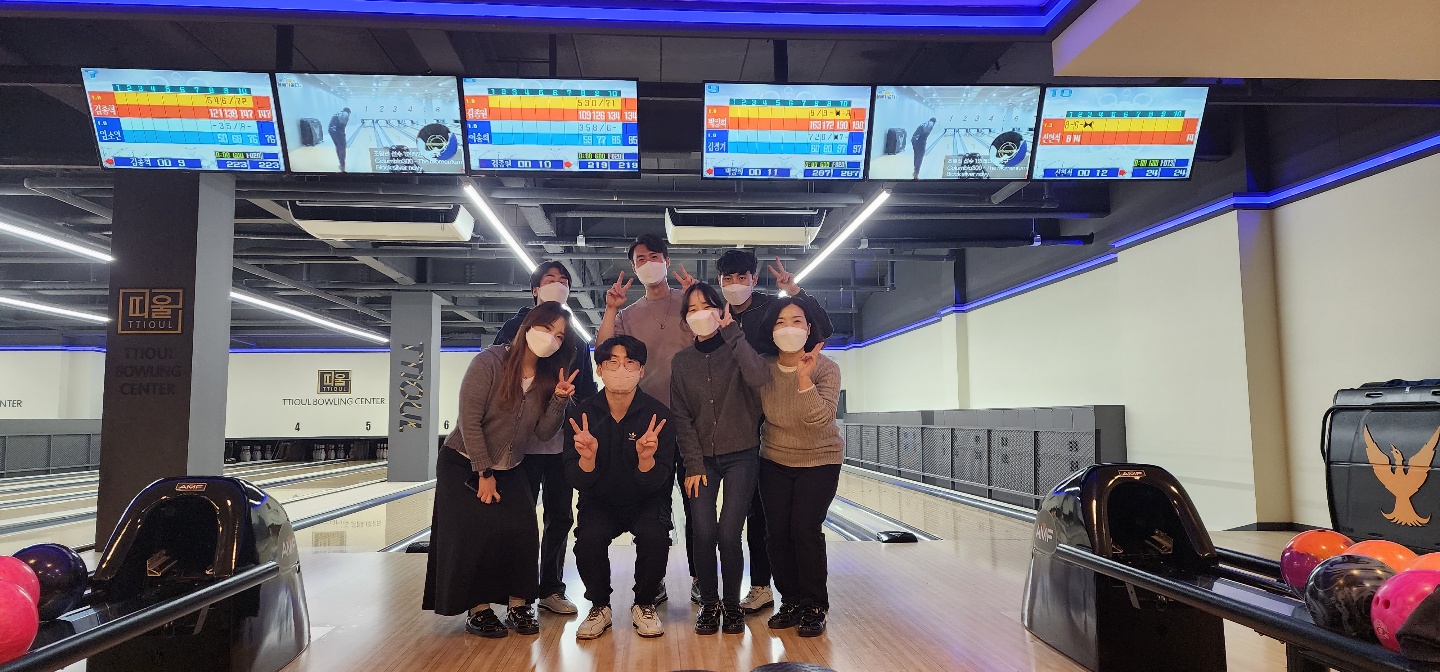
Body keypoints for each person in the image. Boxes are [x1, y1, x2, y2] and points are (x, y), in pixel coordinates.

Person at [422, 301, 580, 638]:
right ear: (528, 326)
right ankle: (478, 611)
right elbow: (469, 421)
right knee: (475, 535)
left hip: (511, 465)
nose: (551, 338)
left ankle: (518, 605)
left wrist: (559, 400)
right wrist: (484, 473)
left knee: (523, 532)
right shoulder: (490, 361)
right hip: (463, 461)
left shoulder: (547, 377)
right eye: (547, 328)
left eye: (559, 335)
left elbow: (543, 433)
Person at [714, 248, 834, 614]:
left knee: (795, 527)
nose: (736, 284)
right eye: (728, 278)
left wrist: (795, 291)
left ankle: (793, 597)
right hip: (762, 442)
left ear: (754, 278)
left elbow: (822, 329)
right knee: (772, 527)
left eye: (743, 277)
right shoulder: (717, 317)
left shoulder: (773, 310)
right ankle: (786, 598)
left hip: (808, 451)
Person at [596, 232, 699, 604]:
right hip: (647, 424)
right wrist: (611, 309)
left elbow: (715, 342)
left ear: (666, 261)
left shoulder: (688, 303)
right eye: (640, 259)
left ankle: (700, 577)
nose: (648, 263)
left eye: (654, 256)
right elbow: (603, 352)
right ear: (634, 267)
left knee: (696, 506)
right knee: (654, 505)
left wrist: (700, 301)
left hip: (692, 420)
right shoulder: (627, 314)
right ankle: (653, 581)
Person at [492, 260, 598, 616]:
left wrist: (581, 423)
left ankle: (551, 588)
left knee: (560, 516)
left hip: (560, 444)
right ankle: (516, 592)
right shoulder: (513, 328)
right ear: (535, 290)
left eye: (564, 280)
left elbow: (586, 390)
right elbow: (499, 380)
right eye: (550, 279)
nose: (558, 284)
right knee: (519, 519)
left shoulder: (576, 338)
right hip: (519, 443)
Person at [669, 283, 770, 635]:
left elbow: (760, 377)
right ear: (685, 319)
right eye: (692, 309)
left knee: (729, 534)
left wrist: (734, 334)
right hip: (702, 461)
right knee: (703, 531)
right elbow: (681, 417)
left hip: (742, 455)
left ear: (720, 310)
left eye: (707, 306)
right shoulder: (681, 363)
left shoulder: (738, 349)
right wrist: (693, 464)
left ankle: (731, 604)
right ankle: (710, 605)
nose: (700, 314)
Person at [566, 335, 677, 640]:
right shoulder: (581, 416)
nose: (621, 369)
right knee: (587, 539)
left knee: (655, 536)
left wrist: (646, 459)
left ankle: (644, 603)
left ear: (641, 371)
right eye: (612, 362)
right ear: (599, 369)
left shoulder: (658, 416)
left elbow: (659, 480)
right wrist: (587, 459)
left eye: (630, 363)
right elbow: (576, 479)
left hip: (646, 500)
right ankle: (600, 606)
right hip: (599, 501)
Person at [755, 297, 843, 638]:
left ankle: (813, 605)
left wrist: (804, 379)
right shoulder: (764, 368)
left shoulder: (825, 368)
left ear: (808, 328)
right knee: (777, 533)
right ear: (770, 331)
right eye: (780, 322)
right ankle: (790, 601)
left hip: (820, 459)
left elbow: (821, 419)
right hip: (775, 458)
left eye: (796, 321)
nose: (788, 328)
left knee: (804, 530)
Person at [328, 107, 351, 172]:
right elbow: (343, 127)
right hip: (337, 130)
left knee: (338, 146)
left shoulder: (337, 114)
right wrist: (343, 134)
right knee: (342, 147)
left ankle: (341, 163)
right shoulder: (345, 114)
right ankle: (342, 166)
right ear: (348, 112)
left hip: (331, 130)